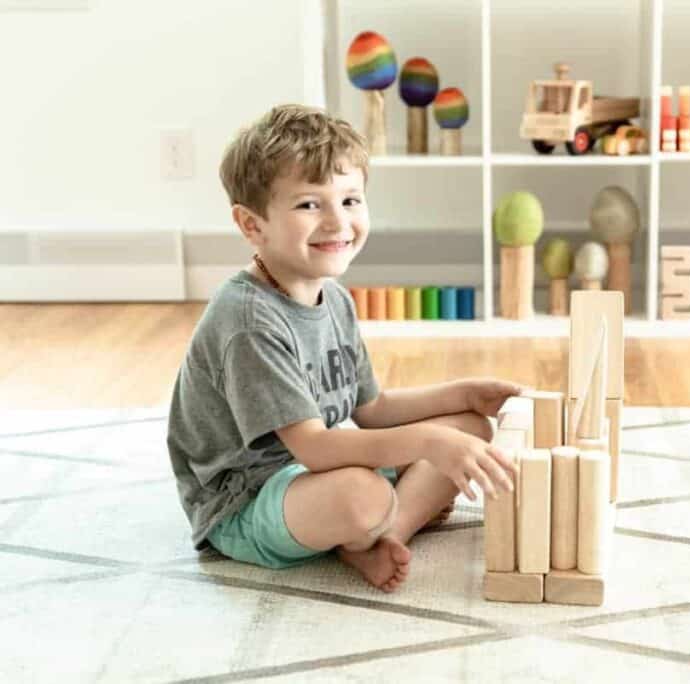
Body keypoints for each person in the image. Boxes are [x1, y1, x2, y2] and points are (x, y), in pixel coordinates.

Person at [167, 103, 519, 592]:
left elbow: (372, 409)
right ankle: (368, 526)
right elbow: (315, 447)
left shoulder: (332, 297)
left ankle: (385, 537)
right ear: (252, 225)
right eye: (310, 205)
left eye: (350, 200)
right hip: (247, 500)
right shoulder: (248, 320)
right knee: (362, 495)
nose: (337, 222)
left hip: (316, 471)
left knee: (470, 429)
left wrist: (463, 394)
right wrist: (427, 444)